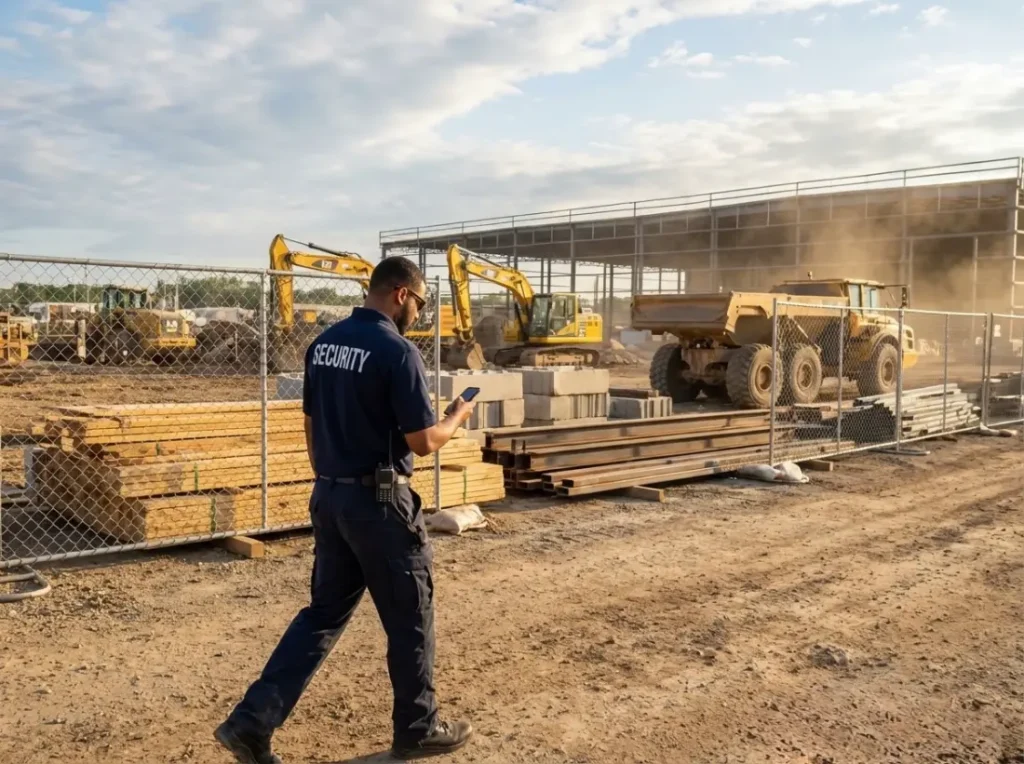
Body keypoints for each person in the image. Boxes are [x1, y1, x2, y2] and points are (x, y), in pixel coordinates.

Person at [215, 256, 477, 763]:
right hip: (381, 504)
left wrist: (331, 481)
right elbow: (423, 442)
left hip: (331, 496)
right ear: (401, 293)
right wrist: (457, 417)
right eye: (420, 304)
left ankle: (250, 723)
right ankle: (418, 728)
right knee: (410, 618)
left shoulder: (324, 345)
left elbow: (310, 423)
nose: (420, 315)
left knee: (322, 615)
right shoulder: (397, 352)